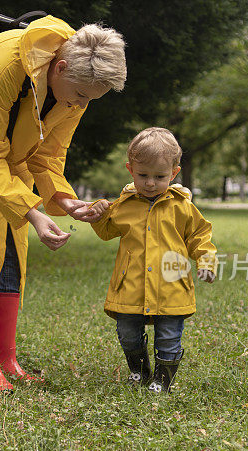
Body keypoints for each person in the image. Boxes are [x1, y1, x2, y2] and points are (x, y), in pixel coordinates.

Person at [0, 16, 127, 391]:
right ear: (60, 66)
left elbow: (48, 155)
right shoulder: (7, 63)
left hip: (6, 152)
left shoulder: (75, 84)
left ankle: (8, 359)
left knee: (11, 247)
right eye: (80, 96)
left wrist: (65, 201)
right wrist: (32, 211)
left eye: (88, 100)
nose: (81, 104)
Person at [90, 127, 217, 393]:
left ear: (174, 173)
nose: (150, 183)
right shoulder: (123, 205)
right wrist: (99, 213)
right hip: (130, 285)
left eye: (159, 177)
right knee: (127, 333)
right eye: (142, 175)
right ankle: (139, 370)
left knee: (169, 335)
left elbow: (199, 236)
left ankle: (163, 379)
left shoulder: (182, 206)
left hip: (171, 284)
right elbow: (105, 232)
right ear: (130, 170)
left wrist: (206, 261)